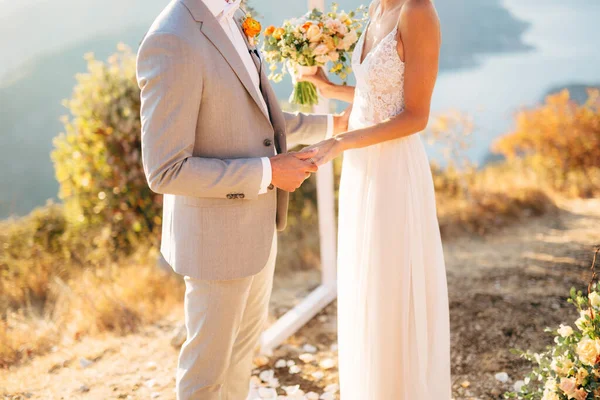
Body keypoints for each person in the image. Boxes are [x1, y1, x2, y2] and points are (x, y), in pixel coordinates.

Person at [136, 0, 348, 398]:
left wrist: (333, 125)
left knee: (240, 358)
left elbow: (258, 118)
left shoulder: (232, 18)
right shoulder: (172, 39)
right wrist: (270, 173)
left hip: (257, 231)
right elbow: (165, 170)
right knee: (206, 377)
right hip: (215, 243)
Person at [299, 0, 451, 398]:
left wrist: (339, 141)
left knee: (391, 284)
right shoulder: (374, 8)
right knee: (365, 279)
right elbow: (374, 93)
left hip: (393, 171)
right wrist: (328, 87)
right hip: (361, 168)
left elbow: (415, 115)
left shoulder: (417, 12)